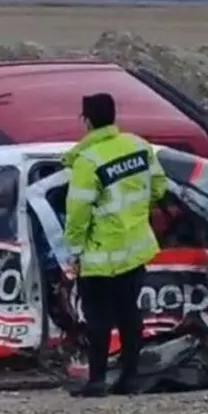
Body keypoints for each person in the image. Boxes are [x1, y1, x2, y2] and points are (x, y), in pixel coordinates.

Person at [63, 92, 167, 397]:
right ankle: (129, 379)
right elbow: (159, 187)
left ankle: (97, 381)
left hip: (101, 255)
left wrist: (74, 250)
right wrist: (134, 212)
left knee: (98, 319)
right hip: (135, 249)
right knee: (129, 316)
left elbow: (78, 213)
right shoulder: (139, 146)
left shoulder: (87, 161)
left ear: (86, 121)